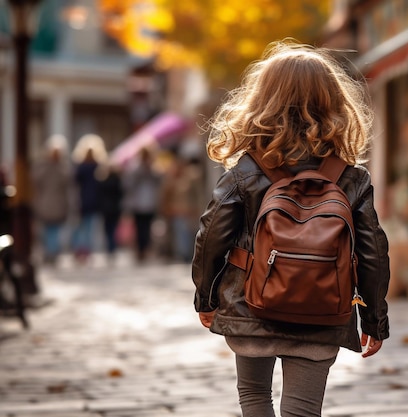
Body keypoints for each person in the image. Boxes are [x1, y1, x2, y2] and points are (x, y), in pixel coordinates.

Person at [192, 41, 390, 417]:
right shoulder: (351, 179)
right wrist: (374, 319)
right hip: (322, 308)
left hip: (250, 306)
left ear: (261, 101)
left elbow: (211, 235)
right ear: (335, 104)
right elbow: (372, 252)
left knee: (254, 398)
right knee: (302, 411)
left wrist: (206, 297)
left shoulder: (245, 172)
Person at [32, 135, 72, 264]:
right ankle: (50, 252)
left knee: (53, 231)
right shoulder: (44, 166)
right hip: (46, 203)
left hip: (56, 203)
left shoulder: (62, 167)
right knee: (47, 231)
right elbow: (36, 181)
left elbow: (67, 185)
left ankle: (51, 253)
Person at [71, 134, 107, 262]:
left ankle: (83, 250)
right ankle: (84, 250)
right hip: (89, 202)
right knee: (88, 228)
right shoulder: (97, 168)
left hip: (85, 201)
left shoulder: (82, 168)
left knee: (84, 227)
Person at [123, 146, 162, 262]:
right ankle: (140, 250)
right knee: (139, 228)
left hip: (150, 202)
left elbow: (159, 183)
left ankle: (145, 249)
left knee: (148, 228)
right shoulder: (135, 167)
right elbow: (128, 184)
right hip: (137, 203)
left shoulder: (155, 167)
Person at [96, 161, 124, 257]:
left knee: (108, 229)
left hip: (107, 209)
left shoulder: (104, 181)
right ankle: (112, 247)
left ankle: (110, 247)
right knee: (113, 229)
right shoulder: (118, 181)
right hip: (115, 208)